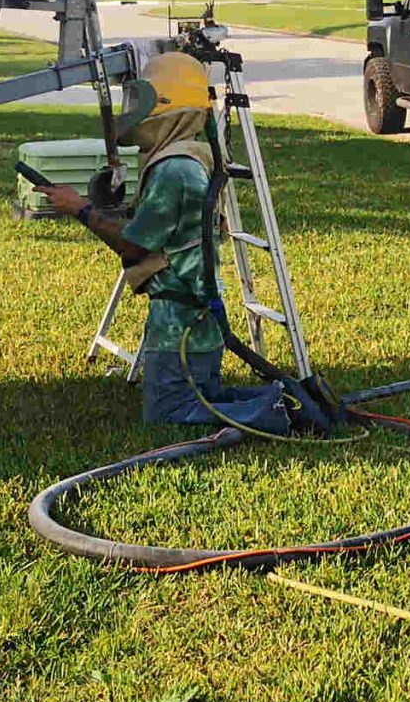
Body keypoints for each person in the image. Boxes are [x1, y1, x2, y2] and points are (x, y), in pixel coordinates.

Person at [45, 51, 293, 434]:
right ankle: (276, 399)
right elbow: (162, 226)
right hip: (194, 322)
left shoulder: (174, 170)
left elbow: (133, 247)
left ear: (163, 106)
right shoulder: (190, 157)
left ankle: (274, 413)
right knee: (201, 397)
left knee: (168, 413)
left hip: (182, 326)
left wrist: (79, 209)